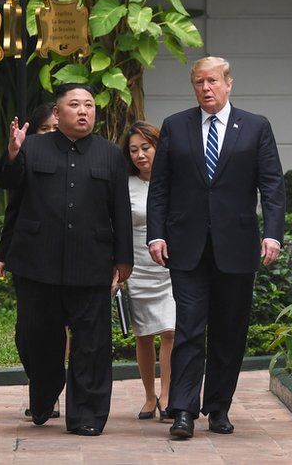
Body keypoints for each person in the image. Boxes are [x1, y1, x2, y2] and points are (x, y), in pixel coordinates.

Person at [146, 56, 286, 439]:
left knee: (229, 331)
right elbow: (160, 187)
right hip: (186, 247)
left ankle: (219, 407)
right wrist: (155, 234)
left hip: (237, 248)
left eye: (211, 81)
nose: (205, 88)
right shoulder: (176, 126)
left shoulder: (256, 127)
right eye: (198, 82)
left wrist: (273, 234)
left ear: (228, 84)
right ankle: (184, 411)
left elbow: (272, 185)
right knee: (189, 328)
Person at [0, 83, 132, 437]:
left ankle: (87, 416)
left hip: (91, 263)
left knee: (92, 345)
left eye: (89, 105)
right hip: (37, 264)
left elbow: (120, 209)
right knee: (39, 340)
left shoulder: (110, 155)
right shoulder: (33, 148)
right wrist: (12, 153)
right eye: (74, 104)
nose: (83, 110)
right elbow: (9, 184)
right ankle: (43, 397)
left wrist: (123, 260)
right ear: (57, 114)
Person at [0, 102, 60, 419]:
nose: (50, 135)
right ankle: (45, 384)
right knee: (27, 332)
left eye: (55, 130)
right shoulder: (27, 154)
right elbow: (12, 200)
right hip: (30, 257)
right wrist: (4, 254)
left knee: (54, 330)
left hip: (67, 259)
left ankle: (45, 396)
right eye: (44, 129)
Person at [117, 121, 175, 422]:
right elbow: (117, 229)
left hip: (171, 269)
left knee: (170, 331)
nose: (140, 155)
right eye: (134, 150)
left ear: (158, 147)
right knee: (144, 336)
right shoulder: (124, 184)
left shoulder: (175, 180)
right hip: (137, 268)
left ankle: (167, 395)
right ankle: (149, 397)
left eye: (146, 148)